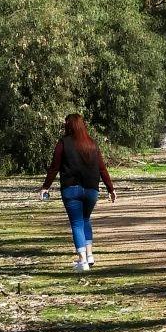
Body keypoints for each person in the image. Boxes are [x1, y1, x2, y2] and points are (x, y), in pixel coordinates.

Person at [40, 113, 116, 271]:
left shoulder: (63, 143)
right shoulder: (92, 144)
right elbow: (102, 168)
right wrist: (110, 188)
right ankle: (90, 255)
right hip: (91, 190)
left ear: (69, 125)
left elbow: (54, 167)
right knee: (85, 220)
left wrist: (46, 186)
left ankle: (82, 261)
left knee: (76, 223)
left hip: (71, 189)